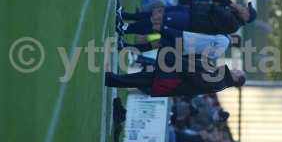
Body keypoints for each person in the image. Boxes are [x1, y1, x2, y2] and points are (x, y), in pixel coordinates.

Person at [117, 0, 257, 36]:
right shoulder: (232, 12)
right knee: (158, 12)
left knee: (157, 22)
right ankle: (126, 15)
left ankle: (127, 29)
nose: (244, 7)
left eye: (246, 9)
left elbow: (215, 10)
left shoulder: (234, 25)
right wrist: (229, 3)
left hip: (190, 21)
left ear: (246, 16)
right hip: (191, 10)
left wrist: (231, 5)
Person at [105, 60, 245, 97]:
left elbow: (199, 80)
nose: (235, 69)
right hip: (177, 78)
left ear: (237, 78)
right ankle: (114, 79)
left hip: (176, 81)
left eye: (238, 71)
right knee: (143, 77)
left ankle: (112, 80)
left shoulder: (220, 81)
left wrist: (185, 67)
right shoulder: (221, 79)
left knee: (143, 79)